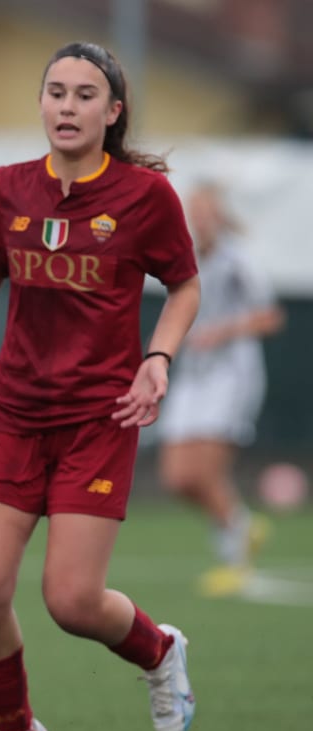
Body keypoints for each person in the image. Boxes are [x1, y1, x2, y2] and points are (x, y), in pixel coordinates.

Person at [0, 42, 201, 731]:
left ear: (113, 111)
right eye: (56, 91)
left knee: (73, 602)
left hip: (99, 419)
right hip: (13, 414)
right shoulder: (7, 186)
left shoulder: (147, 197)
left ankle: (161, 651)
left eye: (85, 95)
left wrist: (159, 357)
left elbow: (184, 285)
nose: (67, 105)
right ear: (40, 103)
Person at [157, 182, 284, 597]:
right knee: (176, 476)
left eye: (207, 212)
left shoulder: (239, 259)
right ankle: (241, 525)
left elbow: (270, 317)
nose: (200, 221)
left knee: (206, 472)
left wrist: (222, 332)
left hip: (231, 375)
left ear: (220, 215)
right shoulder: (190, 259)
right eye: (194, 213)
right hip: (193, 374)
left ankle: (235, 559)